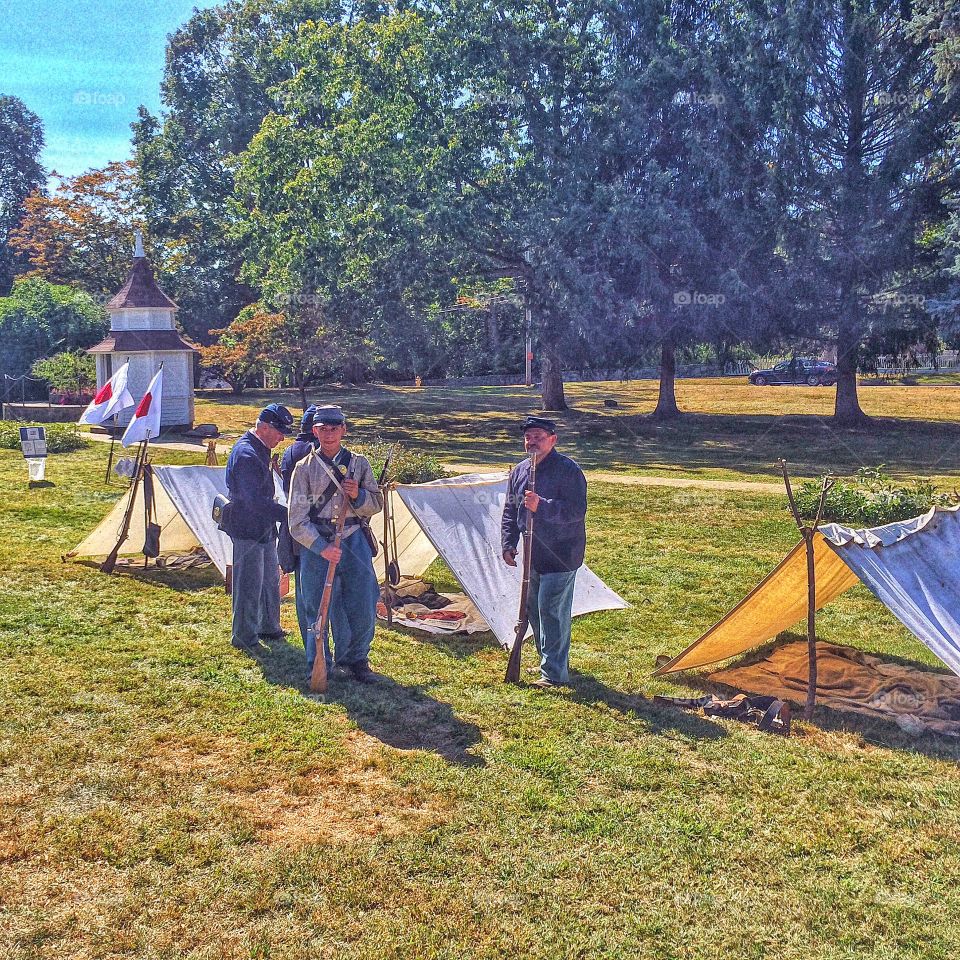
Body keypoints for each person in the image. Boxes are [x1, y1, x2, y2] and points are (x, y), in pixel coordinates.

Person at [288, 405, 383, 683]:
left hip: (353, 538)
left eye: (334, 429)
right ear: (315, 431)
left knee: (363, 602)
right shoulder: (303, 469)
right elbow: (296, 520)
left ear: (343, 430)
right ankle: (317, 662)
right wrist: (321, 547)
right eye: (323, 429)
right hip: (316, 542)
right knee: (314, 607)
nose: (329, 434)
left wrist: (359, 496)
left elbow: (376, 504)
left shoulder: (359, 464)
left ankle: (356, 659)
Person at [501, 415, 587, 687]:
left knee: (551, 612)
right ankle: (549, 663)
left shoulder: (568, 470)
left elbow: (576, 511)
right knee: (535, 611)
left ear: (553, 439)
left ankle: (554, 674)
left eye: (538, 436)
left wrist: (542, 506)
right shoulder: (519, 471)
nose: (532, 441)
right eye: (528, 437)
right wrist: (508, 542)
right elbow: (510, 510)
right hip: (532, 554)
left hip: (561, 553)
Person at [224, 403, 294, 651]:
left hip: (263, 528)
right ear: (263, 427)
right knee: (248, 585)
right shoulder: (246, 454)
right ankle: (244, 635)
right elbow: (253, 502)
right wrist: (287, 514)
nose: (282, 437)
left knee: (269, 581)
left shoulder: (259, 449)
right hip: (248, 528)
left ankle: (268, 626)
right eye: (278, 431)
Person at [279, 406, 320, 651]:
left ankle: (311, 645)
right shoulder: (313, 452)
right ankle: (315, 649)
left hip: (295, 523)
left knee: (303, 588)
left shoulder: (289, 452)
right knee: (312, 589)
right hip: (314, 525)